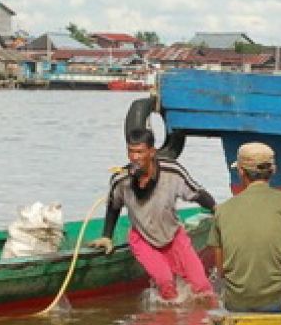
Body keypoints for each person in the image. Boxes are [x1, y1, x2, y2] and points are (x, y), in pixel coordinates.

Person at [89, 127, 216, 302]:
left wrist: (217, 210)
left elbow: (197, 193)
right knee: (166, 284)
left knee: (202, 287)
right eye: (131, 152)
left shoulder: (172, 171)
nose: (135, 157)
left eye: (140, 152)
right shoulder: (120, 180)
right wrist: (106, 236)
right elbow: (113, 205)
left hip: (173, 235)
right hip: (143, 239)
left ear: (152, 152)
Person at [210, 142, 281, 311]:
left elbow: (221, 271)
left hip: (235, 302)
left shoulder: (222, 210)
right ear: (273, 171)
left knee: (216, 277)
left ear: (241, 172)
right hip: (276, 299)